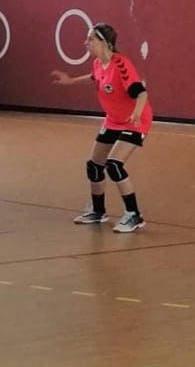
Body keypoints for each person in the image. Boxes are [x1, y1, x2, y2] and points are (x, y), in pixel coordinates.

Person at [51, 22, 151, 233]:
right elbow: (93, 78)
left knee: (114, 165)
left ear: (105, 43)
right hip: (113, 119)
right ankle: (98, 211)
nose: (85, 42)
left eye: (90, 39)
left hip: (135, 119)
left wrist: (135, 113)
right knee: (94, 166)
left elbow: (141, 93)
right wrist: (70, 81)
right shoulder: (98, 63)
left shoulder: (121, 65)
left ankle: (134, 215)